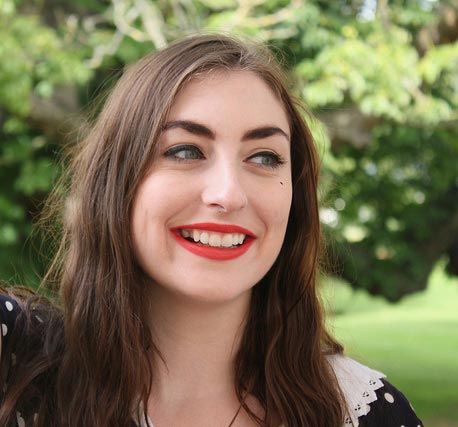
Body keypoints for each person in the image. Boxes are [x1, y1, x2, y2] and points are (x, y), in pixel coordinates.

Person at [0, 34, 424, 427]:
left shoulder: (366, 412)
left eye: (264, 157)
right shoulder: (16, 368)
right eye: (186, 150)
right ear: (117, 182)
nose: (229, 194)